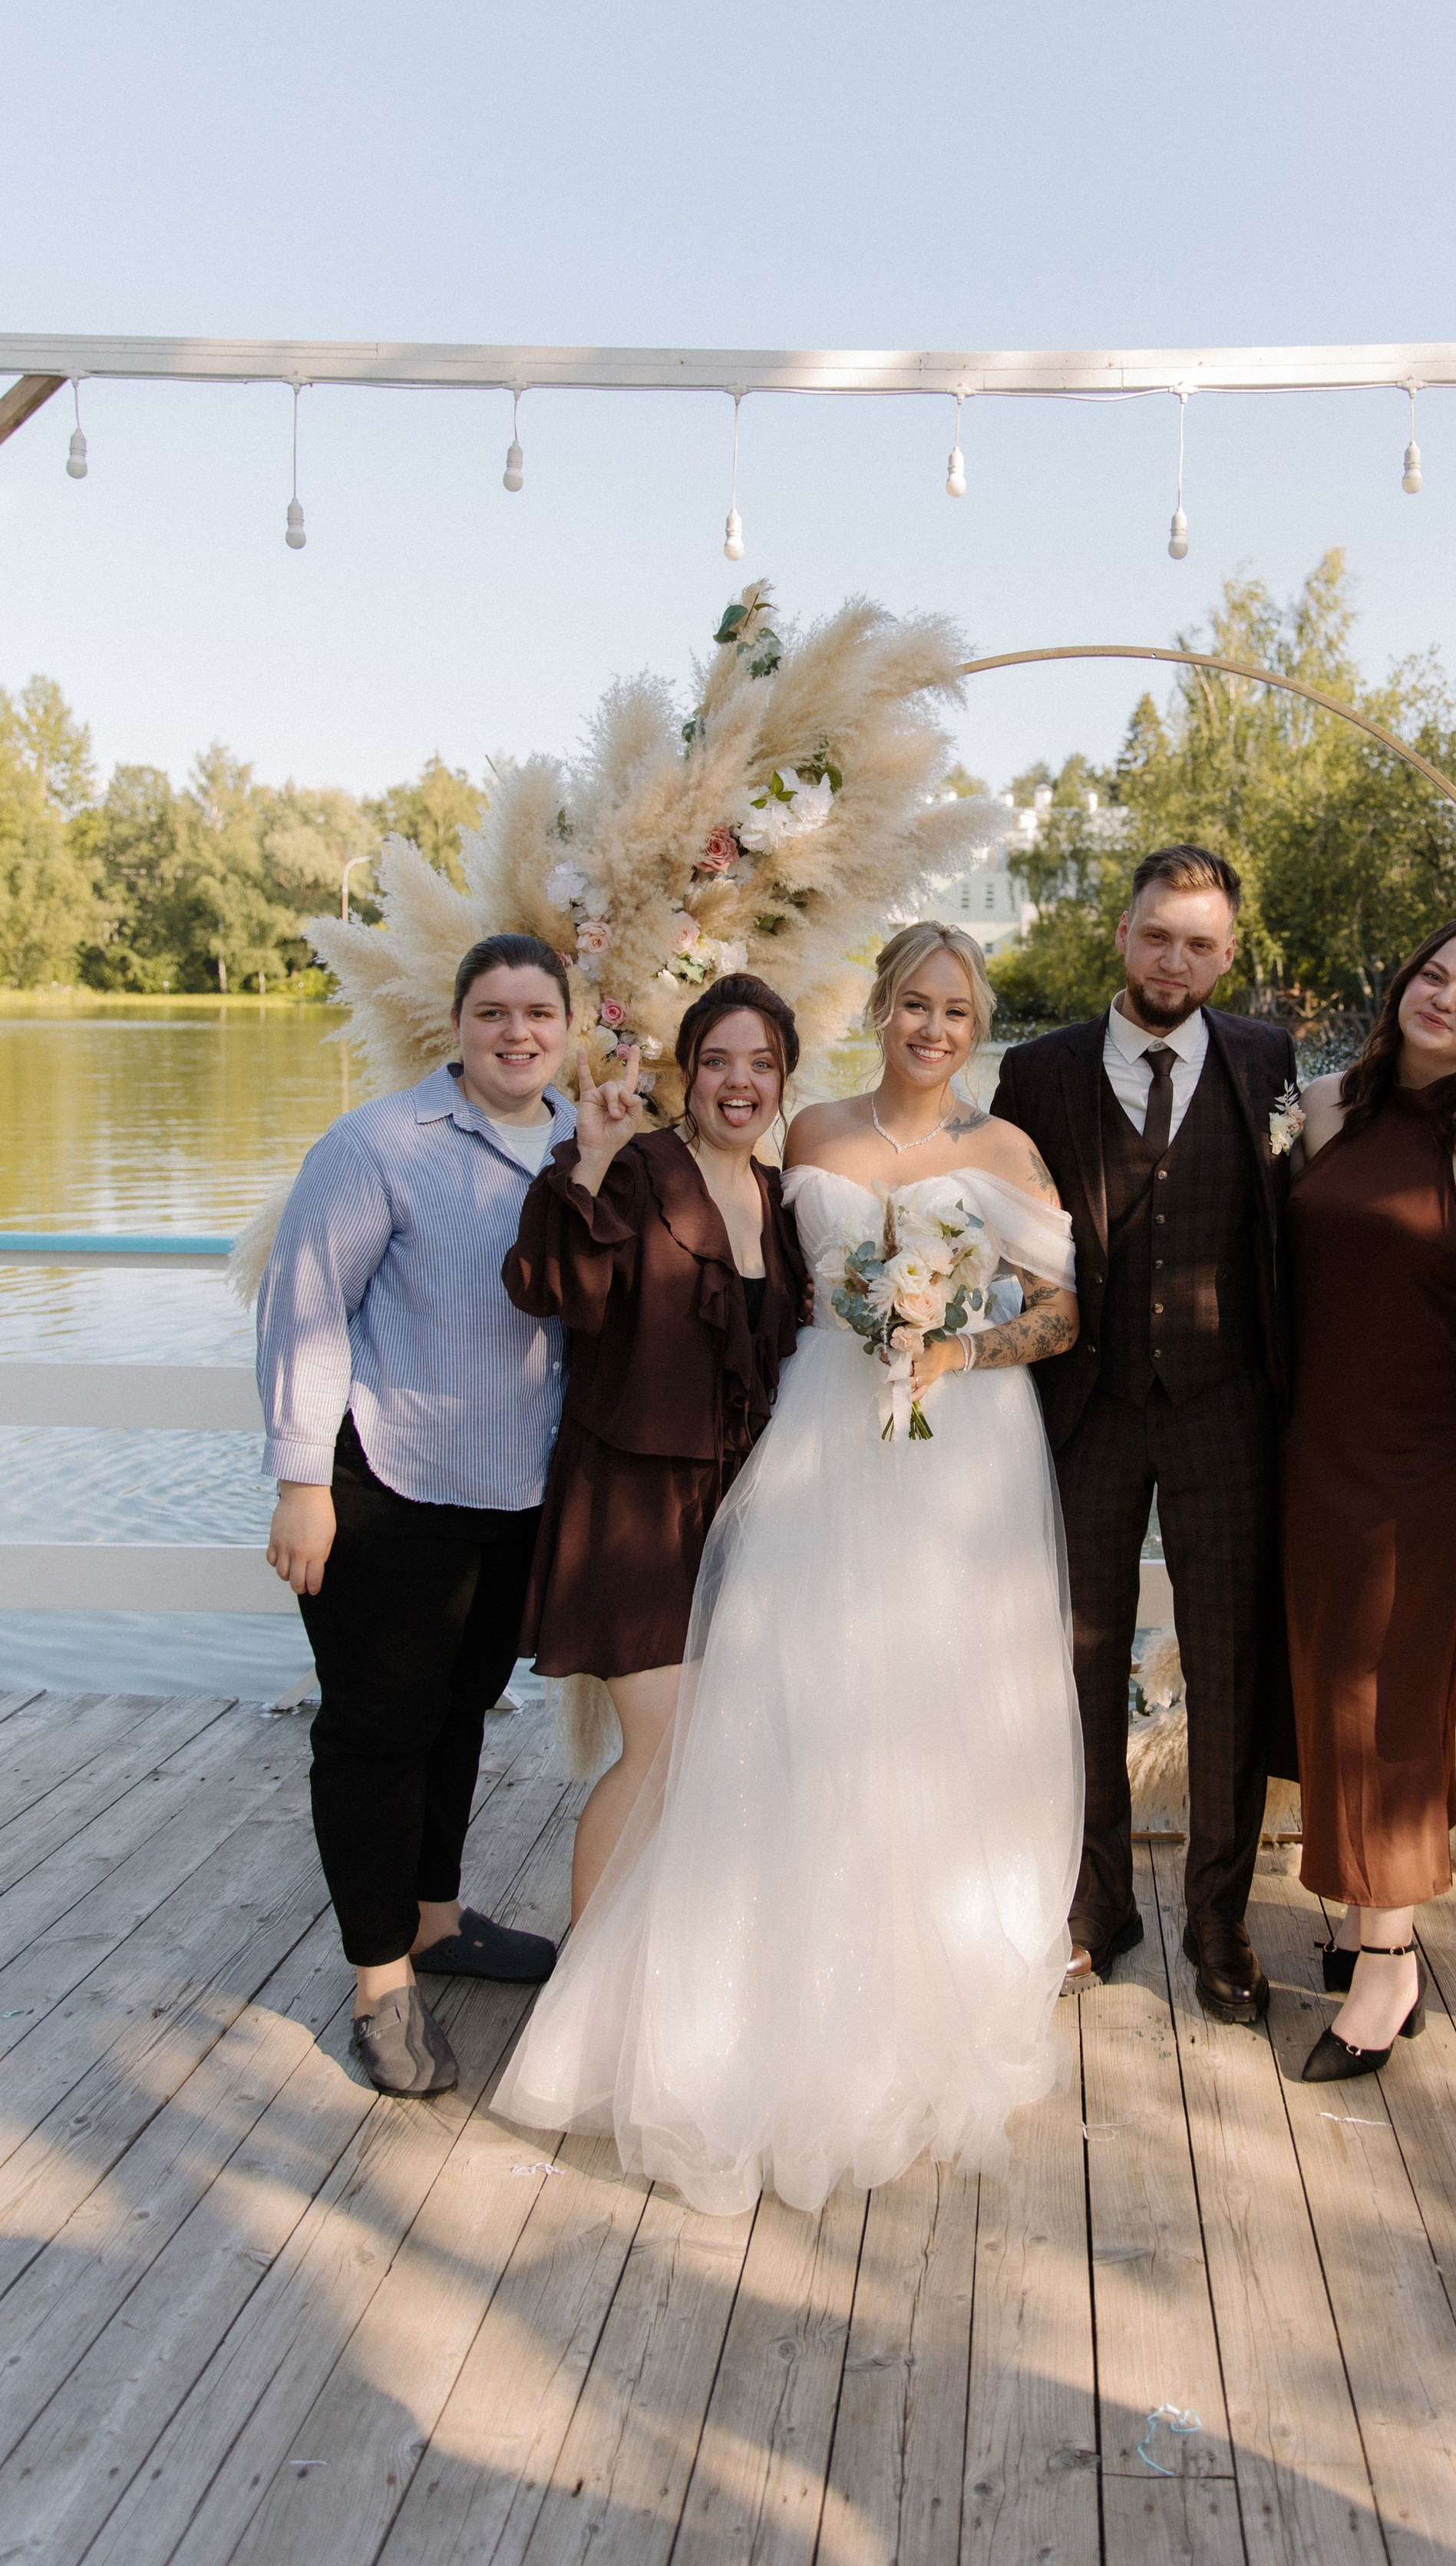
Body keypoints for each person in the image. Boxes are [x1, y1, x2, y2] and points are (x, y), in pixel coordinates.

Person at [494, 922, 1084, 2214]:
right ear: (878, 1008)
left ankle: (926, 1955)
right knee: (796, 1698)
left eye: (957, 1009)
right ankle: (754, 1969)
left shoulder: (1008, 1151)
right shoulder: (808, 1135)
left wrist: (957, 1348)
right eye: (914, 1003)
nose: (933, 1026)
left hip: (962, 1446)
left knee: (938, 1704)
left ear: (976, 1027)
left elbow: (1059, 1314)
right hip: (817, 1439)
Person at [259, 933, 576, 2099]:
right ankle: (380, 1985)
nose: (516, 1032)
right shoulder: (378, 1145)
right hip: (386, 1488)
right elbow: (305, 1311)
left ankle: (437, 1920)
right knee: (377, 1731)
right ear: (457, 1025)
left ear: (569, 1026)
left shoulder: (587, 1143)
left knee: (461, 1717)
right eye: (492, 1012)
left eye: (538, 1011)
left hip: (520, 1493)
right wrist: (302, 1483)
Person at [991, 844, 1295, 2027]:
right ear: (1122, 935)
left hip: (1229, 1413)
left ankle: (1220, 1919)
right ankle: (1093, 1901)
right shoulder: (1038, 1071)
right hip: (1086, 1410)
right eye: (1159, 934)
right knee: (1074, 1667)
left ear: (1228, 955)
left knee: (1227, 1670)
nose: (1178, 959)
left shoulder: (1270, 1062)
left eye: (1202, 943)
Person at [1282, 918, 1456, 2082]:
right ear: (1403, 983)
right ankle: (1358, 1910)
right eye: (1433, 976)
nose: (1444, 1000)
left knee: (1385, 1690)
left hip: (1423, 1454)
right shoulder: (1331, 1106)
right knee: (1326, 1680)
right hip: (1315, 1441)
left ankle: (1391, 1957)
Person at [502, 975, 805, 1918]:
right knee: (663, 1749)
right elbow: (558, 1291)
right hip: (632, 1510)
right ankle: (585, 1977)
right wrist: (587, 1159)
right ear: (687, 1073)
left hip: (736, 1519)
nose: (737, 1082)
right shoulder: (637, 1167)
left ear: (785, 1078)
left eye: (761, 1063)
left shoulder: (776, 1193)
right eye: (716, 1061)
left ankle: (669, 1960)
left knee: (722, 1754)